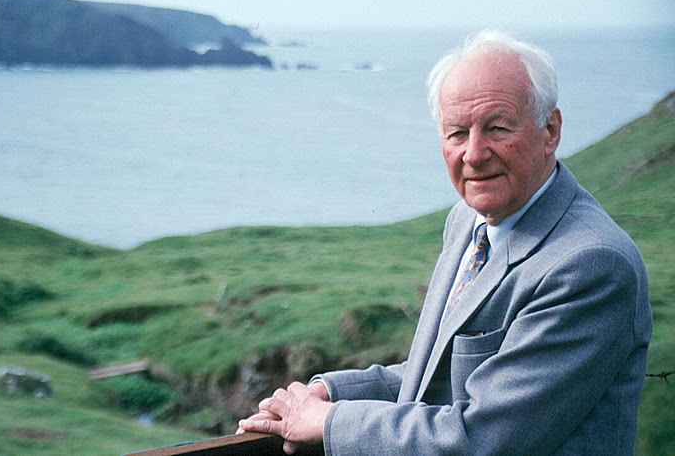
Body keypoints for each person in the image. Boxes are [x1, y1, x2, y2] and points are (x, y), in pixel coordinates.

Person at [237, 29, 652, 455]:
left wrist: (328, 422)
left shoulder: (591, 265)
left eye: (497, 128)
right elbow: (437, 375)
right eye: (457, 133)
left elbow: (480, 439)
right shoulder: (467, 221)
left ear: (550, 130)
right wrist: (328, 392)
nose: (474, 153)